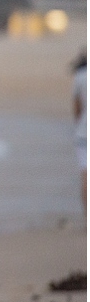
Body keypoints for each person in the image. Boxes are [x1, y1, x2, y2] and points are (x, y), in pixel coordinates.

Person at [72, 52, 87, 211]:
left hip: (83, 132)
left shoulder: (80, 76)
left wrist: (78, 125)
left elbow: (76, 108)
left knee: (86, 177)